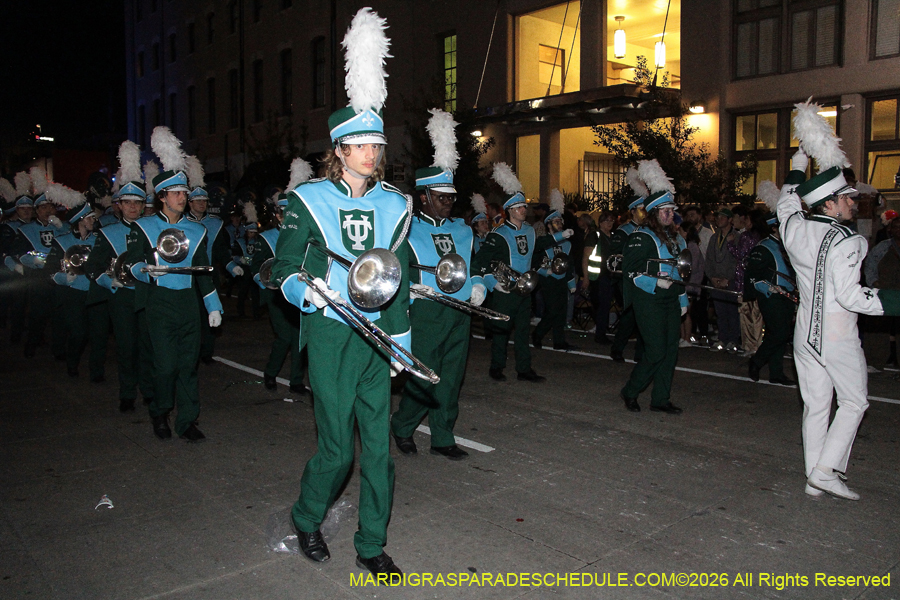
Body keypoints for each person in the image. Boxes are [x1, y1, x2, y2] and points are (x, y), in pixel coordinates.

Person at [271, 7, 407, 577]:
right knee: (337, 451)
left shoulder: (395, 203)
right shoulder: (307, 202)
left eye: (377, 145)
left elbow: (398, 275)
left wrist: (399, 338)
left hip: (378, 336)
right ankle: (307, 517)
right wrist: (310, 290)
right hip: (330, 334)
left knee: (379, 450)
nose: (372, 155)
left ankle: (371, 544)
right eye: (362, 146)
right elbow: (280, 267)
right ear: (340, 150)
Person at [782, 102, 900, 500]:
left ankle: (815, 477)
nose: (853, 202)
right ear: (829, 204)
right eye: (846, 198)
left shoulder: (794, 227)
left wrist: (799, 160)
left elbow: (786, 201)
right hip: (835, 332)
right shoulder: (850, 241)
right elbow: (851, 297)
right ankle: (826, 470)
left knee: (816, 405)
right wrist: (895, 301)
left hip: (804, 333)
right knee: (854, 401)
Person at [392, 112, 485, 461]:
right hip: (426, 311)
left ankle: (443, 435)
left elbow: (473, 265)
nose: (448, 202)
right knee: (422, 376)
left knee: (451, 377)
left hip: (460, 311)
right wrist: (411, 290)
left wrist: (477, 285)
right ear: (424, 196)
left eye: (450, 196)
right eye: (441, 196)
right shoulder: (407, 229)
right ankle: (402, 426)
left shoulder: (463, 230)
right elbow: (394, 271)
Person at [126, 126, 223, 443]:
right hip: (160, 303)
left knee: (188, 367)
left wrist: (213, 306)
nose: (185, 197)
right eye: (178, 194)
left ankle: (187, 421)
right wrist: (146, 270)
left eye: (185, 192)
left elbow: (203, 272)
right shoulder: (144, 227)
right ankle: (160, 411)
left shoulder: (198, 232)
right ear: (162, 197)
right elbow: (132, 263)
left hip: (187, 305)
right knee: (165, 367)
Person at [472, 163, 573, 382]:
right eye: (519, 208)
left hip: (525, 289)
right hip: (504, 289)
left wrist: (560, 235)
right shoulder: (498, 234)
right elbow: (481, 261)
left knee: (522, 331)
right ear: (509, 210)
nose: (523, 210)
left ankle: (523, 369)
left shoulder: (528, 230)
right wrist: (491, 282)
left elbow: (539, 245)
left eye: (523, 207)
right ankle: (496, 366)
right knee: (501, 330)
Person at [85, 163, 156, 412]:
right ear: (120, 205)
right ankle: (127, 392)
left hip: (147, 295)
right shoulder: (107, 232)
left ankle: (148, 390)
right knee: (127, 347)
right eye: (128, 203)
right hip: (122, 297)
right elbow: (92, 267)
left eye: (137, 202)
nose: (133, 207)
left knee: (148, 346)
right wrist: (108, 281)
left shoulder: (153, 229)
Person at [620, 160, 687, 414]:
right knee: (656, 350)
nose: (670, 214)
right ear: (653, 212)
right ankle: (630, 390)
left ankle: (660, 398)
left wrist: (682, 300)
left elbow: (680, 271)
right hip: (648, 299)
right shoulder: (641, 236)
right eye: (664, 211)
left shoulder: (675, 238)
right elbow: (632, 271)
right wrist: (656, 281)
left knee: (671, 351)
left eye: (671, 210)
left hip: (670, 298)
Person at [250, 161, 311, 396]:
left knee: (299, 337)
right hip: (276, 294)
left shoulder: (305, 236)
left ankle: (296, 381)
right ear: (276, 214)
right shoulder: (266, 238)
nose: (287, 217)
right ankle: (270, 373)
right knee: (285, 336)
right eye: (283, 213)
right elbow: (256, 267)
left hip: (298, 291)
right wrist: (266, 282)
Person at [46, 196, 103, 380]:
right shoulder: (62, 241)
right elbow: (49, 270)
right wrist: (64, 278)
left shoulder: (100, 239)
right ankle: (72, 362)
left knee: (98, 335)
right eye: (89, 218)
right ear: (80, 220)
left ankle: (96, 372)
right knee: (78, 333)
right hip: (74, 294)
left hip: (95, 292)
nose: (93, 221)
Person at [746, 210, 796, 386]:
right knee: (780, 332)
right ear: (774, 228)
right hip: (772, 296)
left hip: (789, 296)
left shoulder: (789, 245)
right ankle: (757, 361)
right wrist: (770, 288)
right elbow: (753, 276)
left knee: (780, 334)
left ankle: (777, 372)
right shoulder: (763, 247)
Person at [531, 191, 578, 350]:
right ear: (549, 225)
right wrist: (546, 272)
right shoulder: (543, 242)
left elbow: (569, 265)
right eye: (556, 222)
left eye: (560, 221)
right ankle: (538, 334)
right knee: (552, 311)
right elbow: (535, 263)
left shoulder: (568, 243)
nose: (559, 224)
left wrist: (571, 283)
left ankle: (559, 341)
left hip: (562, 279)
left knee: (562, 311)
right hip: (549, 279)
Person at [609, 190, 647, 362]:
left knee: (644, 316)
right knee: (630, 316)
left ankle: (640, 353)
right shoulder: (623, 231)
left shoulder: (649, 230)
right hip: (627, 279)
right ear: (633, 211)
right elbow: (615, 257)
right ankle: (617, 348)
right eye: (642, 209)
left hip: (645, 277)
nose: (645, 212)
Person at [729, 208, 767, 356]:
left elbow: (740, 254)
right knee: (757, 314)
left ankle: (750, 345)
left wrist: (731, 244)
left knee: (746, 313)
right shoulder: (763, 237)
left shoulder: (746, 236)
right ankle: (757, 343)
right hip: (757, 280)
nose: (745, 221)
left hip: (744, 279)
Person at [865, 214, 900, 368]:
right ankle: (875, 362)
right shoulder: (883, 247)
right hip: (885, 293)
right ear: (890, 229)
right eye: (896, 227)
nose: (899, 230)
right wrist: (874, 283)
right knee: (878, 329)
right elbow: (870, 265)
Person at [705, 208, 740, 352]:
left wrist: (729, 278)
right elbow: (709, 259)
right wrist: (712, 277)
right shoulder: (714, 237)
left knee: (732, 311)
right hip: (716, 280)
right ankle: (723, 337)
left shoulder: (737, 237)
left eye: (722, 217)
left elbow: (738, 260)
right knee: (720, 311)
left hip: (730, 280)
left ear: (730, 219)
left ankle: (733, 339)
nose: (719, 219)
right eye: (717, 217)